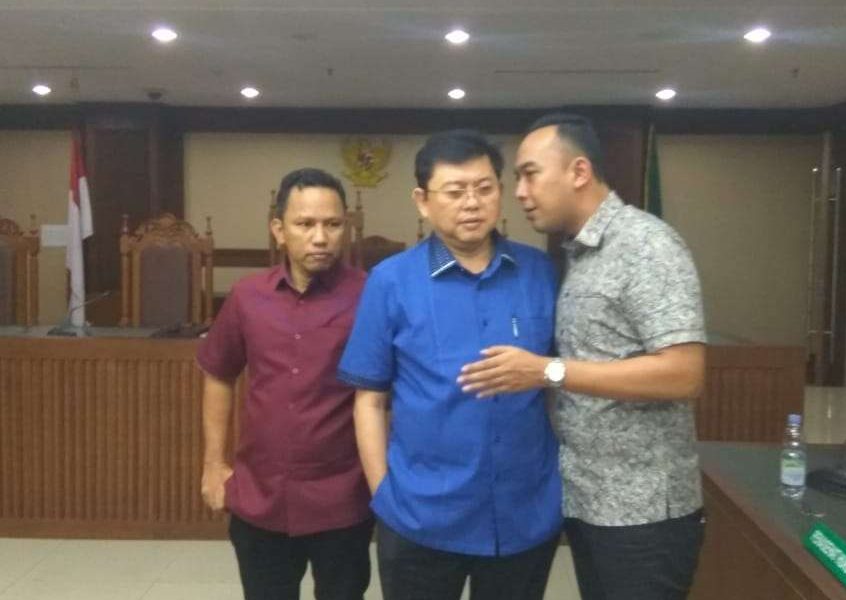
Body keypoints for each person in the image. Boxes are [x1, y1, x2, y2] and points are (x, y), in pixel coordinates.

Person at [459, 114, 707, 600]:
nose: (520, 193)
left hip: (644, 514)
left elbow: (684, 373)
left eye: (530, 175)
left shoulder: (645, 245)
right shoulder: (579, 253)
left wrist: (547, 371)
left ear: (578, 171)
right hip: (590, 501)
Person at [338, 130, 562, 600]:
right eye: (455, 191)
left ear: (500, 192)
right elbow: (369, 399)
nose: (472, 203)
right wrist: (384, 495)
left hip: (524, 513)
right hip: (421, 515)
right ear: (422, 201)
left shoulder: (539, 272)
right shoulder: (390, 281)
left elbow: (557, 389)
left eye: (484, 188)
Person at [198, 168, 373, 600]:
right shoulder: (247, 296)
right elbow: (219, 374)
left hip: (343, 498)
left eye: (333, 224)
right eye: (305, 224)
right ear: (279, 229)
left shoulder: (371, 295)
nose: (320, 237)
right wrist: (213, 464)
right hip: (261, 496)